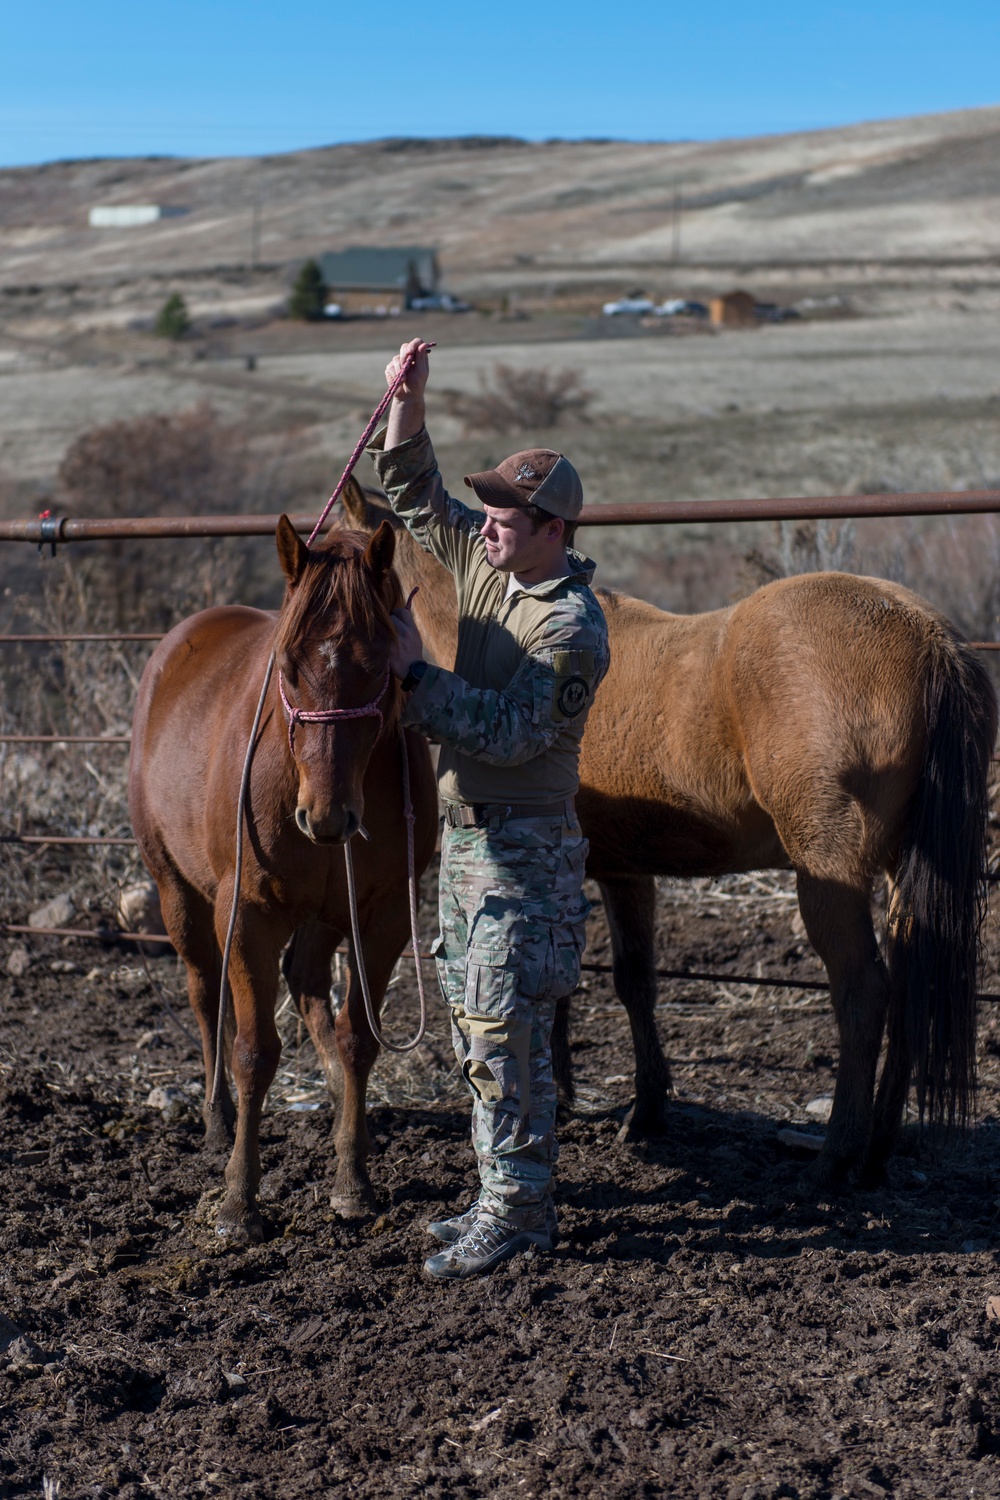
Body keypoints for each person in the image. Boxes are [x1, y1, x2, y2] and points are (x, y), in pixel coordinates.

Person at [370, 338, 610, 1281]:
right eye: (492, 511)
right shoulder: (489, 561)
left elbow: (513, 734)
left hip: (526, 856)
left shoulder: (571, 628)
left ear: (553, 528)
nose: (488, 527)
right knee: (480, 1034)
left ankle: (517, 1214)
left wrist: (414, 678)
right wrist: (407, 400)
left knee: (508, 1036)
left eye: (507, 516)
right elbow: (413, 490)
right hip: (470, 847)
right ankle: (500, 1194)